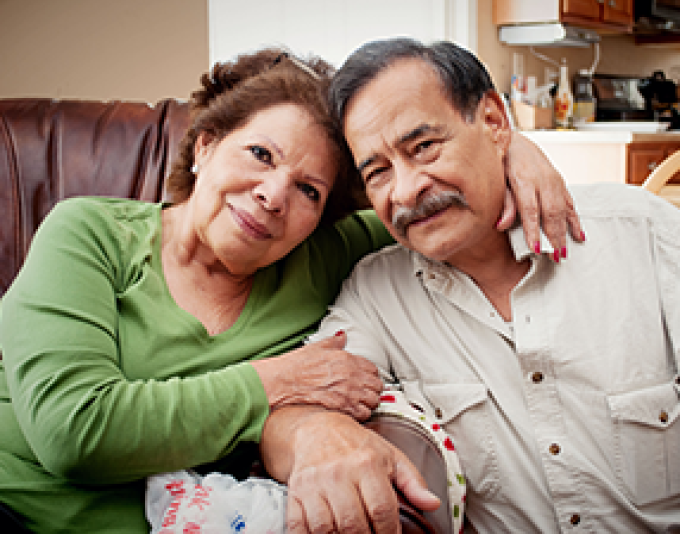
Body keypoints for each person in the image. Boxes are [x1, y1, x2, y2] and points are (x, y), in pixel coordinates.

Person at [0, 47, 580, 534]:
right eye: (260, 154)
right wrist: (275, 383)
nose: (274, 195)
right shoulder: (88, 233)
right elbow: (73, 431)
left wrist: (509, 152)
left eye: (309, 189)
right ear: (204, 148)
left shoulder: (318, 252)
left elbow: (432, 201)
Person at [260, 38, 680, 533]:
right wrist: (317, 432)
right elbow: (297, 401)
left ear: (495, 123)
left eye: (424, 148)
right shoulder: (378, 293)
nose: (406, 189)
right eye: (377, 172)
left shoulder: (643, 236)